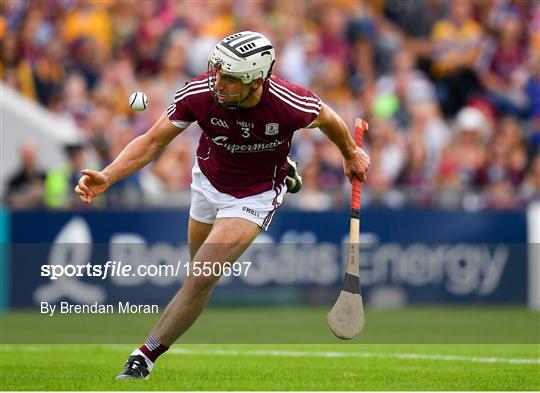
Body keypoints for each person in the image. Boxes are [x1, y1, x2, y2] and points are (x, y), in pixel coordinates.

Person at [74, 31, 370, 380]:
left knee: (200, 277)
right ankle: (283, 162)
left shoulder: (289, 101)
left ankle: (145, 356)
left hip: (255, 195)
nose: (219, 83)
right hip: (208, 181)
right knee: (197, 277)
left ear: (256, 81)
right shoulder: (199, 92)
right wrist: (108, 177)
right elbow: (153, 141)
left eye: (230, 78)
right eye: (217, 72)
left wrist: (350, 152)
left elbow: (329, 120)